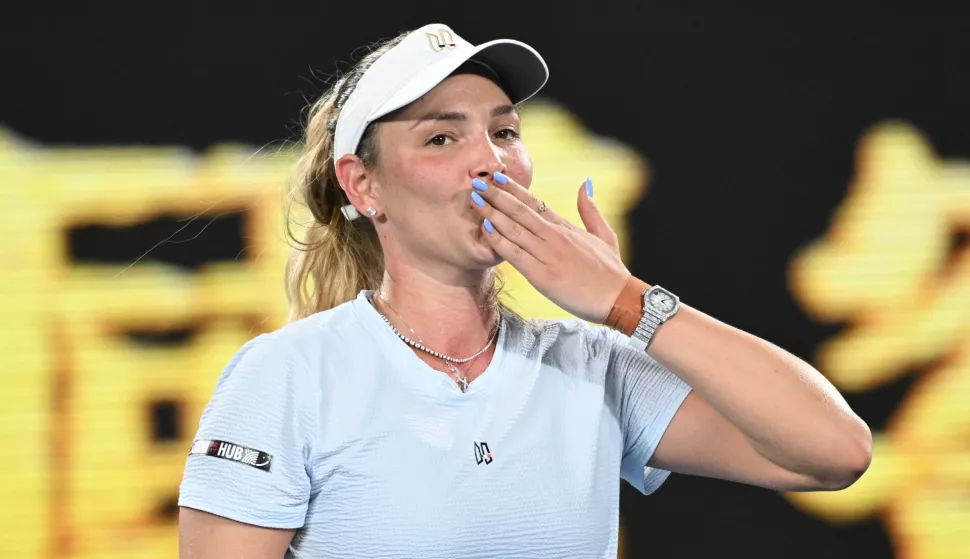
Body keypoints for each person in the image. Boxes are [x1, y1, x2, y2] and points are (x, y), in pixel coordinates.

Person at [177, 23, 872, 559]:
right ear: (364, 184)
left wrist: (628, 301)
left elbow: (834, 451)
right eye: (443, 138)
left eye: (504, 130)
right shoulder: (290, 373)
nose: (490, 160)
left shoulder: (591, 361)